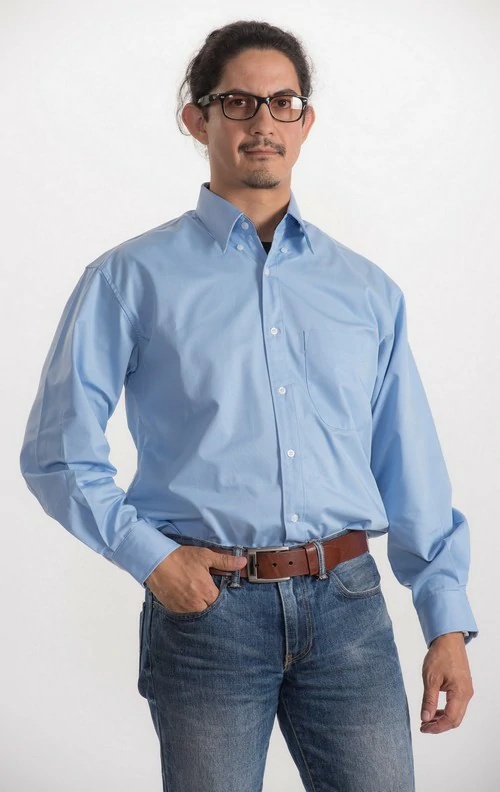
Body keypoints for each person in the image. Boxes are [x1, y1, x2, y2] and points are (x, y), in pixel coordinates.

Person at [19, 19, 478, 792]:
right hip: (208, 614)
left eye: (282, 102)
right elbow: (57, 453)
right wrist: (151, 558)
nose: (263, 121)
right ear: (196, 119)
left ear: (306, 121)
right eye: (238, 102)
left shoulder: (366, 290)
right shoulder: (128, 279)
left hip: (350, 608)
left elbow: (411, 465)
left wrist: (447, 620)